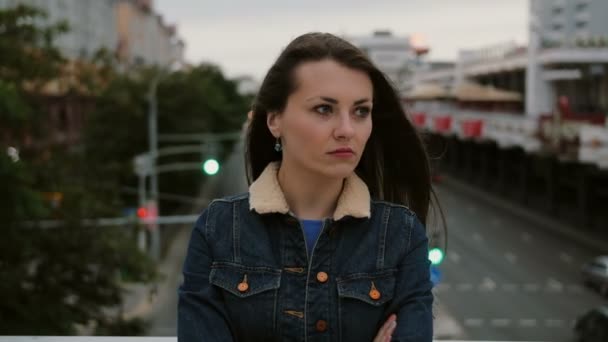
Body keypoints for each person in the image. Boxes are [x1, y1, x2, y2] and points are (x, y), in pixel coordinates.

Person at [178, 32, 438, 342]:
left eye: (360, 111)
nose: (346, 130)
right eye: (324, 109)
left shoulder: (401, 234)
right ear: (275, 120)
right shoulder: (217, 229)